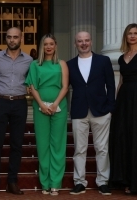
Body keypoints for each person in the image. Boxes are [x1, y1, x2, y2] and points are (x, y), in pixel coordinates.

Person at [67, 31, 115, 195]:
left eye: (86, 40)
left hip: (101, 110)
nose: (84, 43)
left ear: (91, 42)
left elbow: (111, 85)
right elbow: (65, 87)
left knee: (102, 148)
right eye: (80, 41)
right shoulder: (70, 64)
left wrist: (110, 107)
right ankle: (80, 182)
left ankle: (102, 182)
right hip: (79, 111)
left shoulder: (103, 60)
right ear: (75, 44)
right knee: (79, 149)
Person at [0, 27, 33, 196]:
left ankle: (12, 182)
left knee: (16, 144)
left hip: (20, 104)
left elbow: (32, 81)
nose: (12, 40)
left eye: (15, 37)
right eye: (9, 37)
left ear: (21, 39)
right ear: (6, 38)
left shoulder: (29, 60)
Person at [25, 33, 69, 195]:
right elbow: (32, 87)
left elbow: (65, 86)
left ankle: (55, 183)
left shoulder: (62, 64)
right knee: (43, 145)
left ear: (56, 45)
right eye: (45, 44)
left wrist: (56, 103)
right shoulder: (35, 65)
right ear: (41, 47)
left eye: (51, 44)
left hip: (59, 105)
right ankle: (45, 183)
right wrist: (42, 105)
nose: (49, 47)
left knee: (58, 144)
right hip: (40, 107)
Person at [109, 23, 137, 195]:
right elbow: (120, 82)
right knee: (124, 137)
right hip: (124, 101)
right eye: (130, 33)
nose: (133, 36)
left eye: (135, 33)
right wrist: (115, 103)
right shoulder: (121, 58)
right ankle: (126, 179)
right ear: (125, 37)